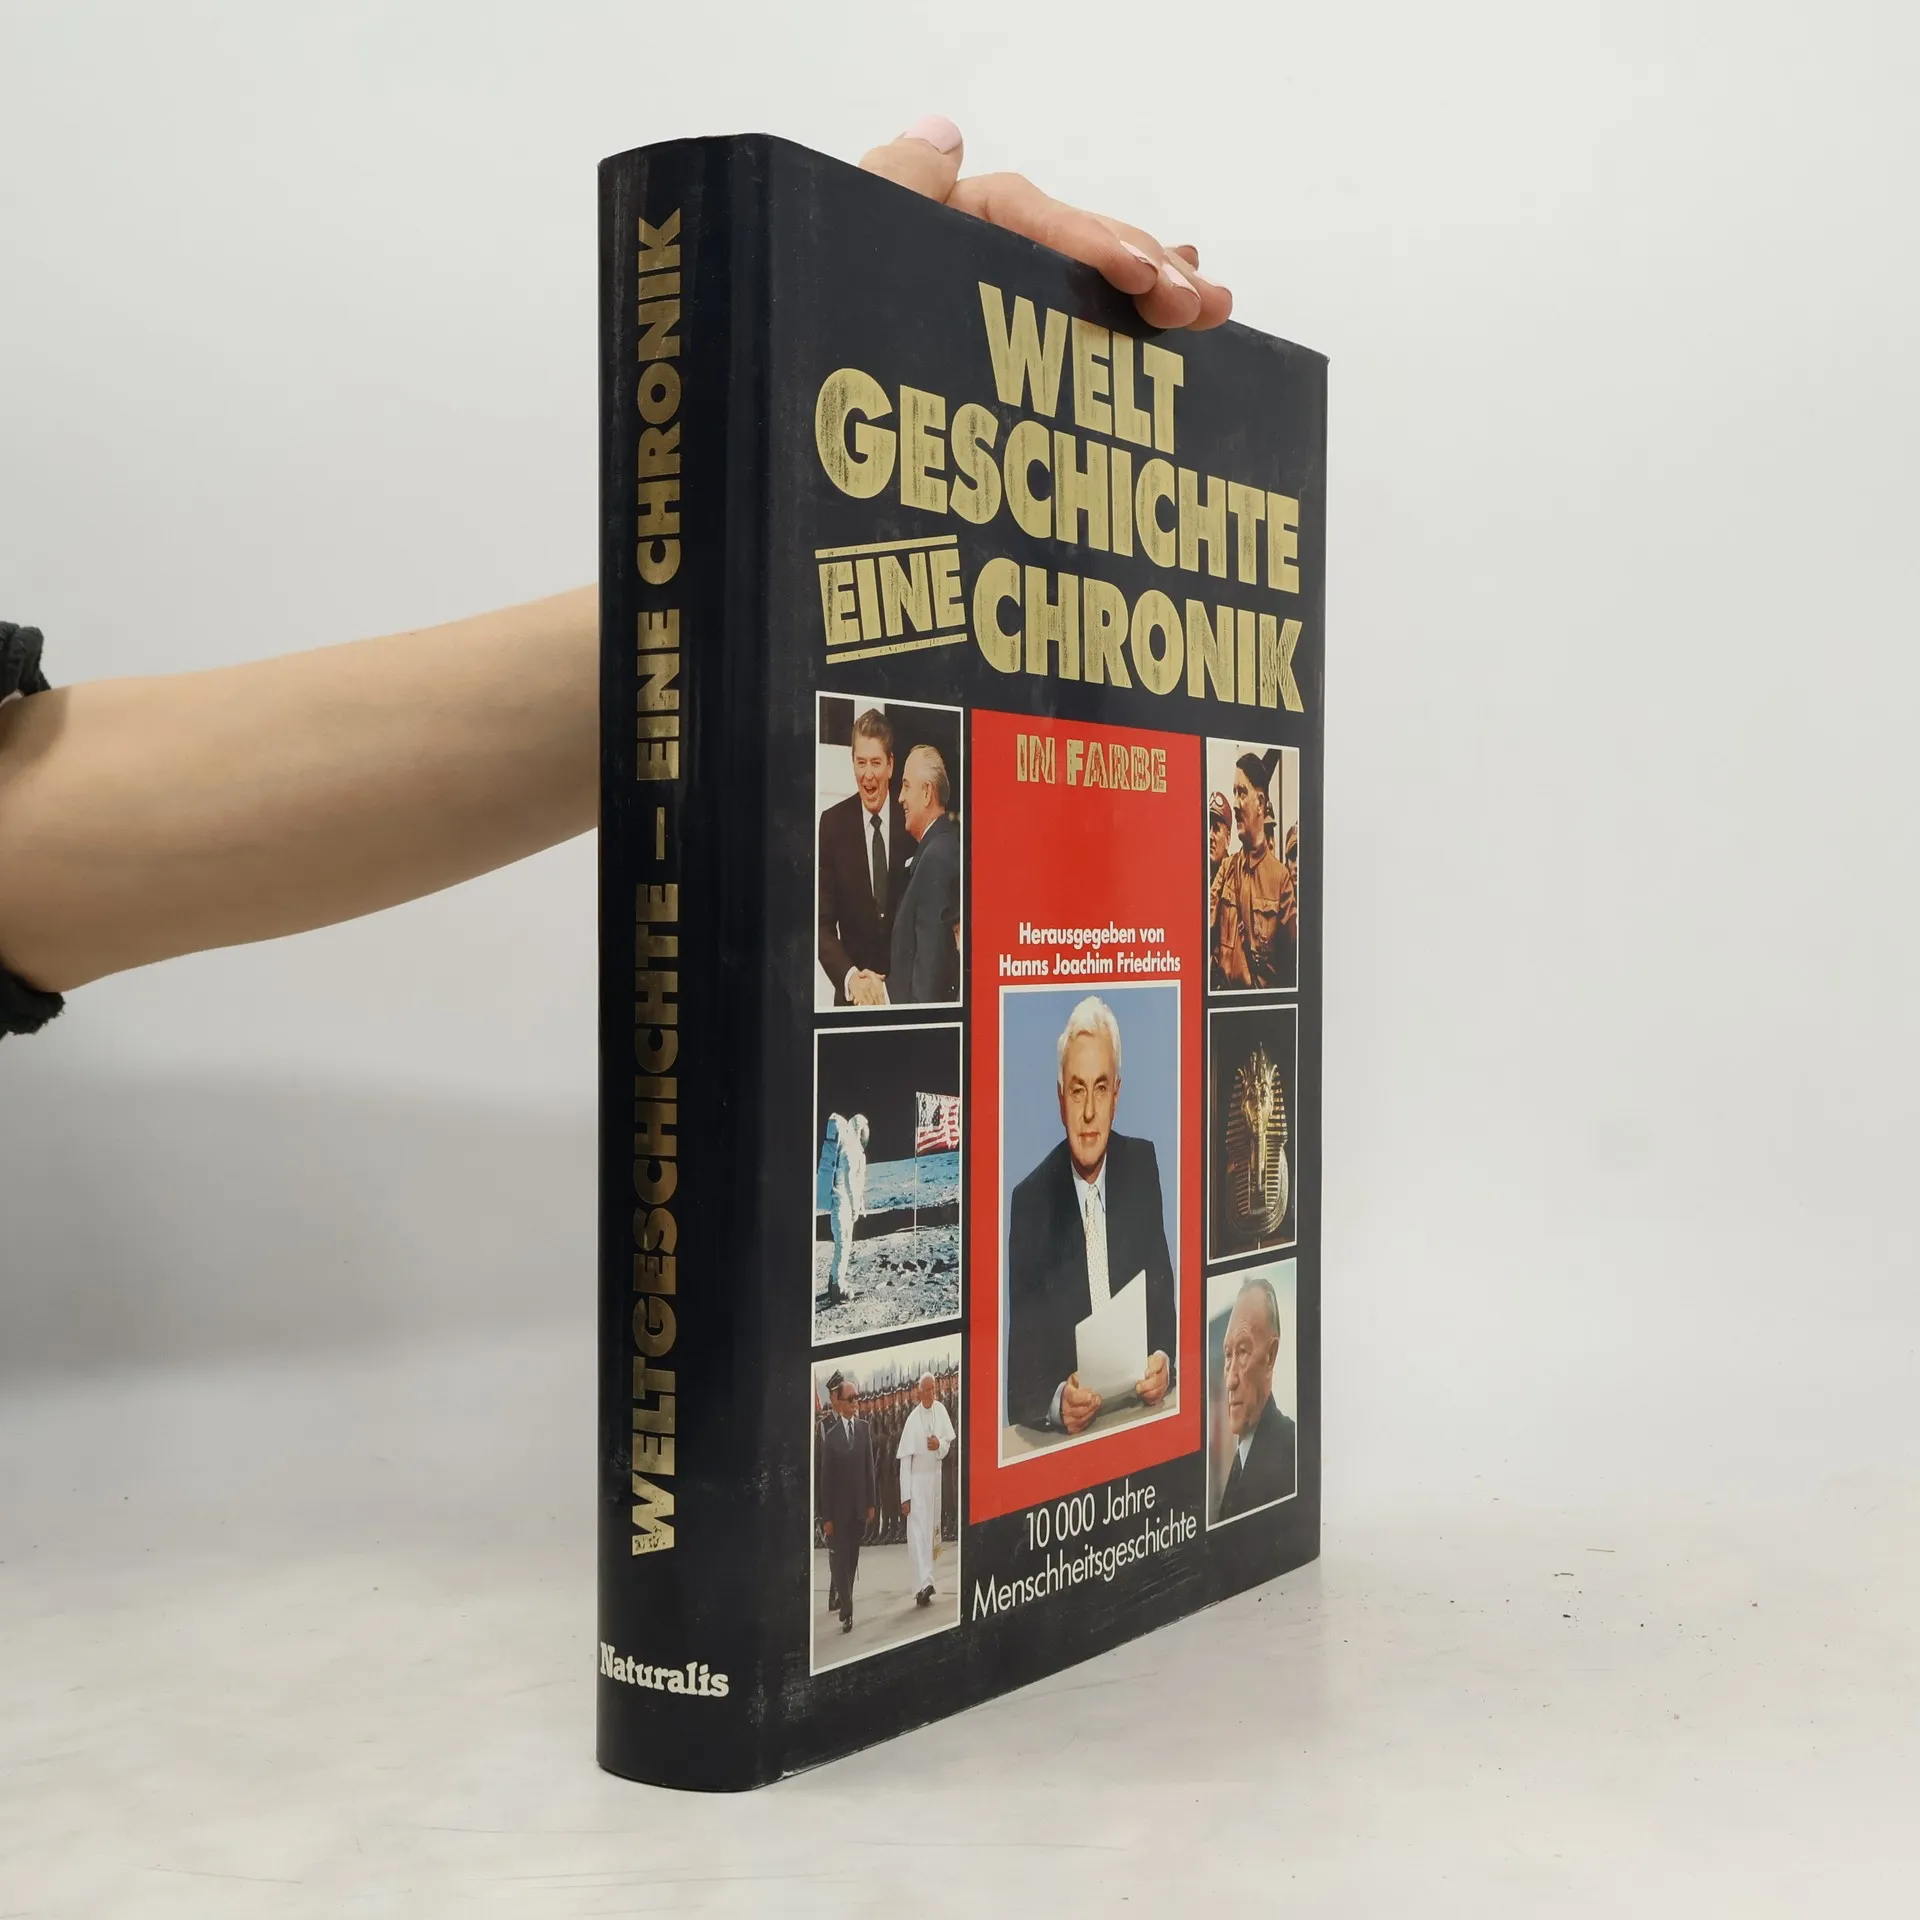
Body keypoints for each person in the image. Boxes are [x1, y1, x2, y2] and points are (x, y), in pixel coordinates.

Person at [0, 119, 1231, 1033]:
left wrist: (901, 520)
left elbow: (38, 842)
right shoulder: (833, 826)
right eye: (876, 764)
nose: (879, 781)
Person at [1004, 996, 1175, 1436]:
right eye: (1077, 1090)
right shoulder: (1031, 1203)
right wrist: (1057, 1402)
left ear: (1117, 1095)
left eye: (1100, 1089)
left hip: (1140, 1420)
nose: (1088, 1113)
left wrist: (1164, 1362)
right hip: (1073, 1443)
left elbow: (1164, 1313)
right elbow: (1020, 1385)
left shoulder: (1142, 1166)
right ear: (1060, 1099)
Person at [817, 708, 908, 1008]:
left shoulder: (911, 822)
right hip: (852, 1003)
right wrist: (852, 979)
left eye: (876, 763)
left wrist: (890, 989)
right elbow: (820, 925)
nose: (868, 774)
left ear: (890, 765)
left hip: (904, 1000)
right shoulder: (832, 824)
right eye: (861, 762)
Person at [1210, 748, 1296, 991]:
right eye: (1234, 792)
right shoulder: (1226, 869)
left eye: (1242, 792)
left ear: (1260, 802)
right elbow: (1204, 933)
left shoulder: (1280, 880)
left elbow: (1292, 967)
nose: (1235, 803)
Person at [1215, 1274, 1297, 1519]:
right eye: (1228, 1356)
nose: (1230, 1381)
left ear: (1270, 1356)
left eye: (1243, 1352)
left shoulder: (1292, 1452)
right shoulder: (1240, 1462)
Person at [888, 744, 960, 1004]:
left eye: (906, 786)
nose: (900, 798)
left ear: (927, 792)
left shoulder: (936, 858)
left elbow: (927, 983)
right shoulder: (936, 850)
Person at [817, 1370, 875, 1634]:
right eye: (850, 1399)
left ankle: (845, 1598)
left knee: (852, 1561)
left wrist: (871, 1503)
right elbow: (825, 1480)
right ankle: (847, 1611)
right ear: (839, 1402)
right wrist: (825, 1517)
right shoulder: (831, 1436)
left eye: (856, 1398)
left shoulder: (863, 1429)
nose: (855, 1403)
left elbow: (869, 1470)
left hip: (858, 1510)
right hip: (838, 1515)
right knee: (840, 1561)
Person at [896, 1370, 956, 1606]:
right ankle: (921, 1584)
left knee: (930, 1532)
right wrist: (905, 1496)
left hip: (934, 1481)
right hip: (916, 1483)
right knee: (917, 1534)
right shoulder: (912, 1419)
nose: (932, 1393)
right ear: (919, 1393)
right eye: (927, 1389)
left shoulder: (941, 1410)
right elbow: (905, 1461)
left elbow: (947, 1443)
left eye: (934, 1389)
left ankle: (927, 1583)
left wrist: (939, 1444)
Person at [818, 1111, 869, 1306]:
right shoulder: (849, 1151)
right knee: (843, 1245)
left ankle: (834, 1281)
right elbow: (849, 1182)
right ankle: (837, 1287)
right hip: (843, 1206)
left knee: (843, 1244)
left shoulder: (849, 1149)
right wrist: (855, 1206)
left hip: (843, 1205)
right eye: (863, 1131)